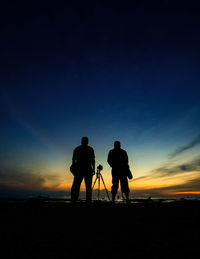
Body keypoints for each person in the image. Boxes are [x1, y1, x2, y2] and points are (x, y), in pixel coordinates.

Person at [71, 137, 95, 203]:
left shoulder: (79, 148)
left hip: (83, 170)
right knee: (78, 186)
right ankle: (75, 200)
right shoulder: (88, 149)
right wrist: (93, 169)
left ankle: (75, 200)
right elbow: (73, 160)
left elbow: (93, 160)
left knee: (78, 186)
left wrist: (93, 169)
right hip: (81, 170)